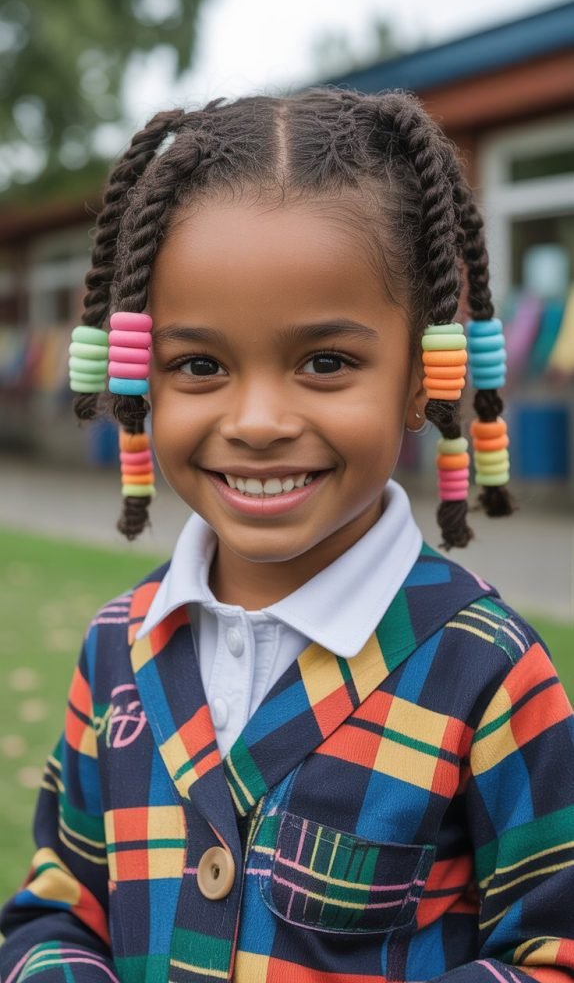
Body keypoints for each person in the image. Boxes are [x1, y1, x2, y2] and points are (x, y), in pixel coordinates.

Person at [1, 88, 573, 983]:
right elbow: (58, 908)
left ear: (422, 378)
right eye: (200, 365)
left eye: (325, 362)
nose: (259, 421)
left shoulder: (488, 673)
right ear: (139, 378)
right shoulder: (116, 650)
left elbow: (552, 951)